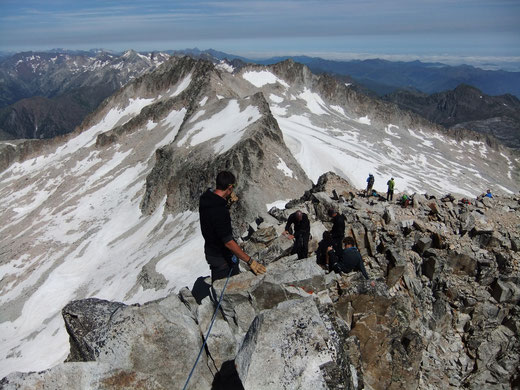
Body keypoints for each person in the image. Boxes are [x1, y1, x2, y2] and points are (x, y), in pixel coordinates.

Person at [199, 171, 266, 282]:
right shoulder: (220, 211)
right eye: (233, 187)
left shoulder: (205, 198)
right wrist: (250, 261)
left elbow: (214, 218)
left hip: (211, 252)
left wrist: (226, 204)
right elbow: (228, 242)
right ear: (229, 187)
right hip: (222, 259)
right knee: (227, 292)